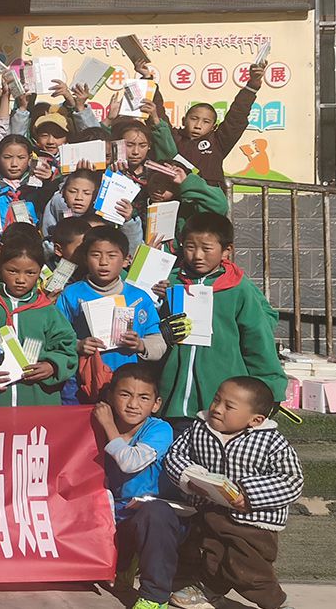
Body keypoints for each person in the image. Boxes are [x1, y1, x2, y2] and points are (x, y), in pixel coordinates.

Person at [166, 377, 303, 609]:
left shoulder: (272, 442)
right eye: (216, 400)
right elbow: (174, 455)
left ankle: (276, 602)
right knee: (211, 555)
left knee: (247, 567)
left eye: (228, 406)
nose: (217, 409)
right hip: (209, 511)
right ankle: (209, 590)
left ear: (256, 420)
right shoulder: (199, 429)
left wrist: (248, 494)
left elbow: (292, 480)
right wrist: (189, 477)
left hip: (252, 523)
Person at [159, 213, 285, 421]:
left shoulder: (238, 288)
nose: (198, 255)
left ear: (227, 251)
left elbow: (257, 338)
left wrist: (272, 386)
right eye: (190, 247)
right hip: (170, 395)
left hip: (221, 400)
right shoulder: (168, 282)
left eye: (207, 249)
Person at [93, 364, 181, 609]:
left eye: (143, 397)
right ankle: (122, 565)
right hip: (107, 515)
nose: (133, 404)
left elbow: (130, 463)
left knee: (156, 514)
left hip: (145, 517)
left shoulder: (159, 429)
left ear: (156, 404)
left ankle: (154, 597)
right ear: (110, 396)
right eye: (125, 394)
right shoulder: (92, 423)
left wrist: (108, 426)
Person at [56, 226, 164, 404]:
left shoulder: (138, 298)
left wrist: (140, 345)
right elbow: (56, 337)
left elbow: (158, 341)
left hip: (128, 388)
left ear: (126, 260)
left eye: (112, 256)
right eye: (96, 255)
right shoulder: (71, 294)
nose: (103, 262)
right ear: (85, 258)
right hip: (81, 384)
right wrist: (78, 345)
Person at [0, 237, 78, 406]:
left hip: (38, 400)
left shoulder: (46, 309)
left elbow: (68, 348)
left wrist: (52, 366)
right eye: (12, 271)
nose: (21, 279)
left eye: (30, 273)